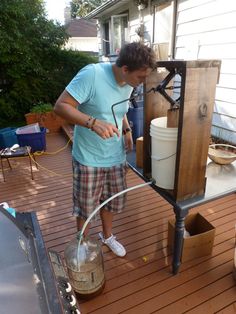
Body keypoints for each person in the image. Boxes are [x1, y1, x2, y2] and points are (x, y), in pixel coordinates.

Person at [54, 42, 156, 257]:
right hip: (89, 158)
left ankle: (107, 236)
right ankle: (81, 243)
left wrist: (127, 129)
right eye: (140, 77)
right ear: (125, 69)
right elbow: (61, 106)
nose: (142, 83)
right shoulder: (91, 74)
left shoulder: (130, 82)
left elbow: (120, 109)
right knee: (86, 206)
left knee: (111, 200)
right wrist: (93, 122)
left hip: (115, 155)